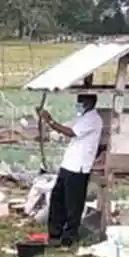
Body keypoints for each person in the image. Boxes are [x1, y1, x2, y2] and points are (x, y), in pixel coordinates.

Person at [42, 93, 103, 247]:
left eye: (81, 102)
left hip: (79, 168)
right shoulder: (81, 118)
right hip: (68, 165)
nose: (78, 105)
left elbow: (70, 132)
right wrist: (51, 124)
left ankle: (69, 236)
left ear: (90, 103)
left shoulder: (93, 120)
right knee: (58, 199)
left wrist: (50, 121)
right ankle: (55, 233)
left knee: (73, 203)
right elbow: (66, 127)